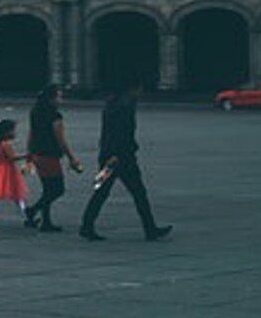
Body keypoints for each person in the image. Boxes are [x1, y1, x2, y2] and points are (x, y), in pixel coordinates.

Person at [79, 79, 171, 242]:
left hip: (108, 156)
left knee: (100, 191)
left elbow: (108, 132)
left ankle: (86, 225)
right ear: (133, 89)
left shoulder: (111, 104)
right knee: (139, 193)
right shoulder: (126, 105)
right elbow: (123, 133)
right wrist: (122, 152)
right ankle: (150, 229)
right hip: (122, 158)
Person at [23, 83, 84, 232]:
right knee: (57, 189)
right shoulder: (55, 115)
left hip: (37, 153)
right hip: (49, 155)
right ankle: (32, 210)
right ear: (51, 98)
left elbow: (31, 132)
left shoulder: (35, 111)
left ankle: (46, 222)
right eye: (59, 96)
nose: (61, 99)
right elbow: (60, 139)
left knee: (48, 188)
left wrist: (29, 152)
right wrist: (71, 158)